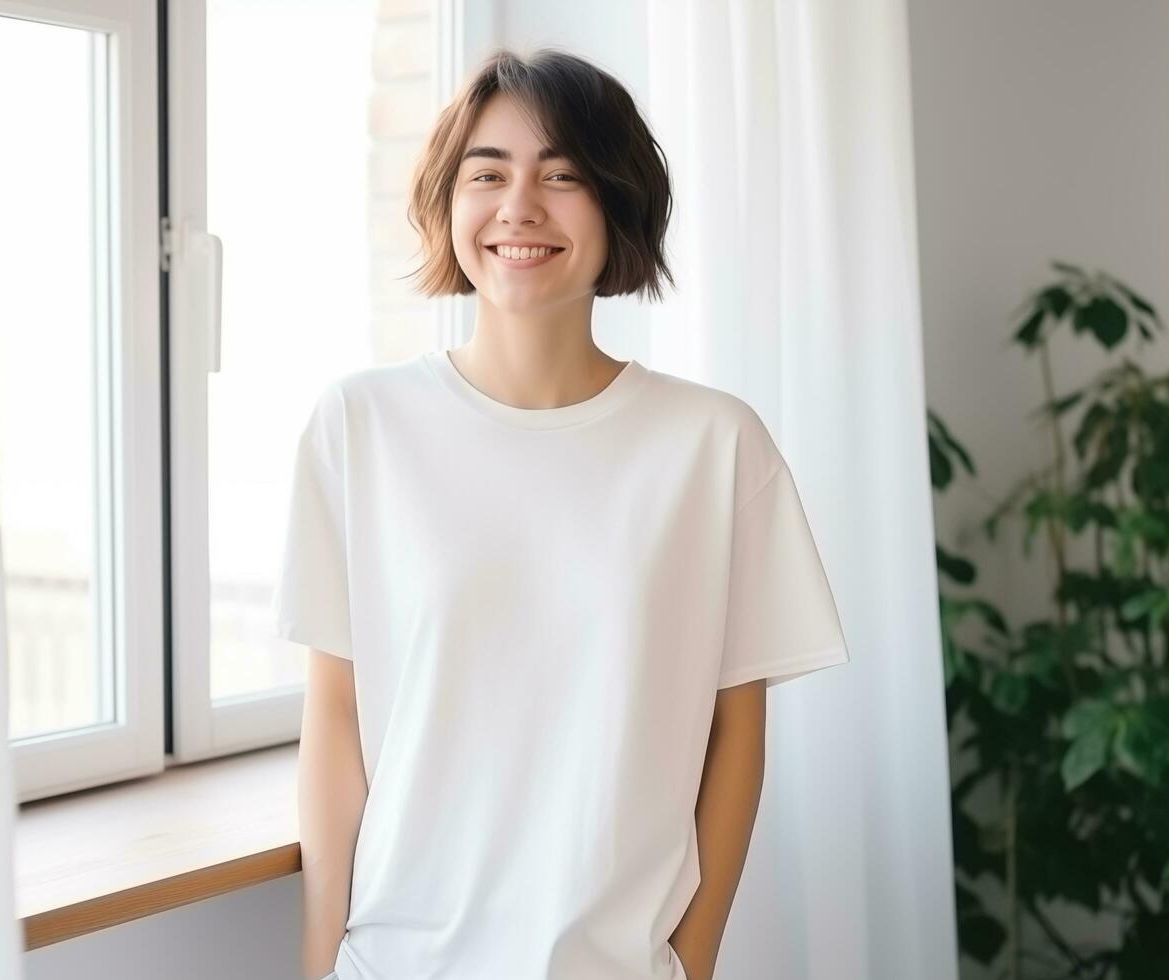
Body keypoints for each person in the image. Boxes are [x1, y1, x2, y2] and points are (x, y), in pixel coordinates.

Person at [274, 45, 849, 980]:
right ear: (445, 203)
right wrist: (315, 963)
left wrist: (689, 964)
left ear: (617, 204)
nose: (519, 208)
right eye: (487, 173)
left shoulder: (713, 445)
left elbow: (733, 735)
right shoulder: (359, 426)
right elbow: (334, 722)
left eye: (563, 176)